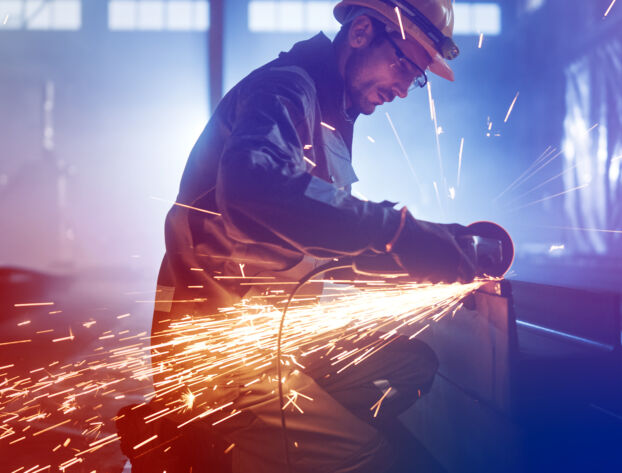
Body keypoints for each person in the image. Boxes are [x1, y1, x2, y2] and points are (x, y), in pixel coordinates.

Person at [118, 1, 476, 471]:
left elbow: (311, 230)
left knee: (410, 368)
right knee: (371, 459)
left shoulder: (329, 108)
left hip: (272, 330)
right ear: (362, 31)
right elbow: (253, 188)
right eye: (405, 64)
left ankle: (215, 438)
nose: (406, 88)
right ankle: (198, 437)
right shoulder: (286, 89)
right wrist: (398, 232)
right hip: (225, 345)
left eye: (418, 76)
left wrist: (417, 256)